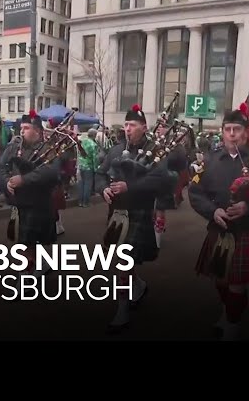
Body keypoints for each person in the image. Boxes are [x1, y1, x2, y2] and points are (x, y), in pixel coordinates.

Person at [188, 104, 249, 341]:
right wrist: (213, 212)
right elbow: (195, 192)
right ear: (222, 132)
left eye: (237, 129)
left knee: (236, 283)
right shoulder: (211, 160)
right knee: (221, 280)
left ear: (246, 131)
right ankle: (232, 309)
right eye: (227, 129)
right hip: (219, 228)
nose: (231, 134)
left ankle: (232, 326)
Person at [95, 104, 176, 334]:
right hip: (116, 213)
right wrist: (103, 190)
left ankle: (122, 309)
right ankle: (138, 286)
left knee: (123, 261)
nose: (127, 129)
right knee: (122, 260)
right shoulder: (116, 150)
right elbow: (101, 174)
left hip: (139, 211)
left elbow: (159, 180)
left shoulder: (155, 150)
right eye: (126, 125)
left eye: (132, 125)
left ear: (144, 127)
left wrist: (129, 186)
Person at [0, 110, 62, 280]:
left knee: (26, 243)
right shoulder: (14, 146)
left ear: (38, 131)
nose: (22, 131)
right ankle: (42, 265)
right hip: (19, 202)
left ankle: (25, 277)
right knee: (25, 240)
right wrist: (7, 182)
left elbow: (51, 173)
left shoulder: (49, 149)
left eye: (26, 128)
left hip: (39, 202)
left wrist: (23, 180)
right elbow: (1, 166)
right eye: (21, 127)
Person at [78, 128, 99, 208]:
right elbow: (95, 158)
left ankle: (80, 201)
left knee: (81, 184)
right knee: (88, 185)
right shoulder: (93, 145)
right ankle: (85, 202)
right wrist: (96, 168)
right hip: (89, 166)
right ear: (94, 135)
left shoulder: (83, 141)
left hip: (81, 165)